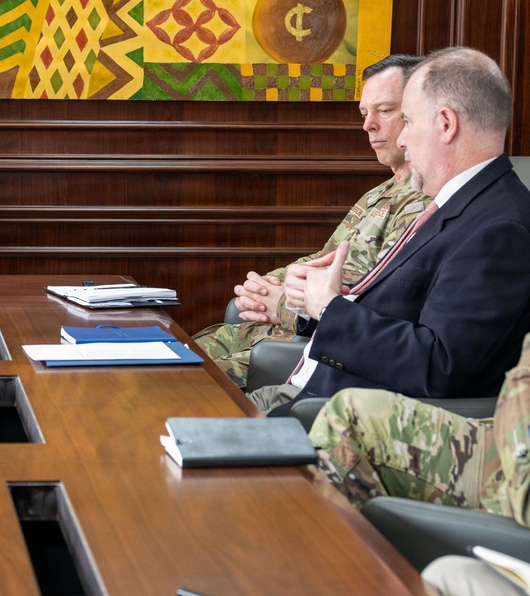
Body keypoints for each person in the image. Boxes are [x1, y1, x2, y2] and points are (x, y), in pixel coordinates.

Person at [248, 46, 530, 414]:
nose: (400, 140)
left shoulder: (500, 228)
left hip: (344, 421)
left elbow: (439, 364)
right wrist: (311, 304)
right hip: (314, 395)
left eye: (408, 121)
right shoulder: (459, 202)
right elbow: (402, 311)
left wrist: (330, 309)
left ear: (446, 124)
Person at [192, 55, 428, 386]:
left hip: (312, 346)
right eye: (364, 113)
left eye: (384, 111)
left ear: (420, 114)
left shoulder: (427, 199)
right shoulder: (382, 191)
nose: (368, 125)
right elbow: (321, 259)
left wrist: (281, 305)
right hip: (272, 329)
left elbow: (378, 299)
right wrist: (264, 288)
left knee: (185, 384)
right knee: (173, 356)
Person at [310, 329, 530, 595]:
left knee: (350, 424)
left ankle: (310, 571)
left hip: (514, 472)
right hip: (501, 435)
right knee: (350, 413)